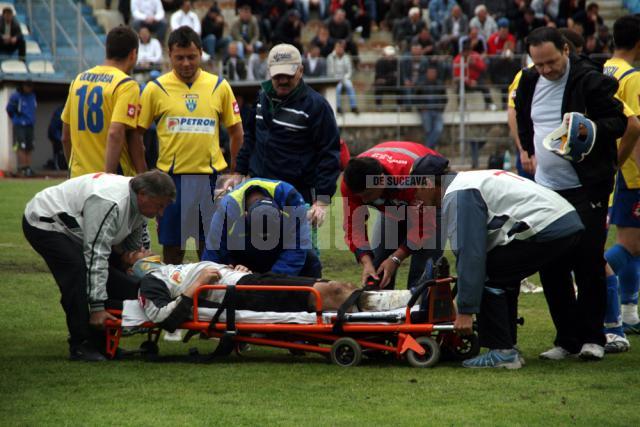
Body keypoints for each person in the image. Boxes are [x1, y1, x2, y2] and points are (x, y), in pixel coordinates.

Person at [514, 27, 628, 360]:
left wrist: (589, 130)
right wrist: (527, 148)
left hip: (587, 185)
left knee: (588, 260)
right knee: (551, 263)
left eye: (551, 61)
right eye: (540, 65)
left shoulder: (588, 78)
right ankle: (566, 339)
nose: (546, 70)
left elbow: (619, 122)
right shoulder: (528, 81)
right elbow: (523, 116)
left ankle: (594, 338)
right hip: (547, 188)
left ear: (566, 50)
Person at [410, 150, 583, 369]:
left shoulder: (458, 193)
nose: (415, 194)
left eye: (416, 186)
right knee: (507, 271)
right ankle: (526, 344)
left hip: (549, 226)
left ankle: (503, 351)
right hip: (566, 220)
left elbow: (471, 253)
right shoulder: (468, 180)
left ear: (427, 183)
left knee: (489, 270)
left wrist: (465, 310)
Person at [22, 170, 176, 361]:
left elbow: (133, 254)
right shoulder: (110, 202)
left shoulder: (139, 205)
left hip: (77, 227)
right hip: (45, 221)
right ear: (143, 194)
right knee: (76, 271)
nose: (160, 213)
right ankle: (81, 344)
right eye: (159, 206)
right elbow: (96, 253)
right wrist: (97, 308)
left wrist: (137, 265)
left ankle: (104, 343)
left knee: (117, 274)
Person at [137, 26, 244, 265]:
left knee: (210, 247)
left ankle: (207, 298)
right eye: (179, 57)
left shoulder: (219, 86)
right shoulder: (156, 88)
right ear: (169, 55)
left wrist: (235, 171)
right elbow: (136, 134)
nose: (186, 63)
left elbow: (237, 132)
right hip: (171, 181)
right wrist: (143, 171)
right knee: (173, 248)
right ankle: (176, 297)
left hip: (209, 180)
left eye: (191, 57)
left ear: (202, 53)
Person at [128, 252, 416, 330]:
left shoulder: (166, 270)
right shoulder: (150, 282)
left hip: (243, 281)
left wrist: (231, 269)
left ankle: (403, 303)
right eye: (134, 252)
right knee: (332, 291)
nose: (142, 249)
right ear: (131, 269)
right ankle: (409, 304)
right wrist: (199, 283)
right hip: (238, 294)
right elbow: (164, 318)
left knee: (338, 287)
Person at [235, 43, 341, 247]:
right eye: (277, 75)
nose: (282, 80)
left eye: (288, 74)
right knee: (260, 251)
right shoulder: (261, 98)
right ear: (269, 72)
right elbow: (250, 137)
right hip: (260, 190)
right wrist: (240, 171)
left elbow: (329, 154)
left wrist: (322, 201)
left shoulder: (316, 106)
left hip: (297, 193)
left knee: (302, 255)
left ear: (300, 71)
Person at [341, 141, 445, 289]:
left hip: (431, 202)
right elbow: (353, 226)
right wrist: (366, 262)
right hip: (393, 207)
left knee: (422, 278)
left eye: (368, 194)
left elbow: (425, 226)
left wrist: (396, 258)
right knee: (377, 273)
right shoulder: (351, 181)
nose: (364, 201)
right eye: (360, 196)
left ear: (381, 180)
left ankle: (422, 308)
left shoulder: (413, 179)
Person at [601, 15, 640, 350]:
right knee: (629, 245)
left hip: (616, 167)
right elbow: (636, 128)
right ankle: (593, 284)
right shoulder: (633, 77)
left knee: (635, 244)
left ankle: (628, 310)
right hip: (632, 172)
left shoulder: (607, 68)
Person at [61, 26, 145, 178]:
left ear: (107, 50)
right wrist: (107, 179)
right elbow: (115, 133)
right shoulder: (126, 85)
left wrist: (72, 170)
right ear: (133, 54)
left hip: (78, 179)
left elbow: (65, 137)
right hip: (110, 181)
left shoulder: (78, 80)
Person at [203, 178, 321, 277]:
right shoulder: (228, 208)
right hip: (244, 252)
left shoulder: (291, 199)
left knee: (310, 259)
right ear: (245, 215)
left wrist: (273, 282)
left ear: (281, 212)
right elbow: (213, 254)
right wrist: (230, 271)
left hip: (280, 250)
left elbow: (298, 248)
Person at [6, 80, 37, 177]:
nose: (29, 88)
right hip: (20, 125)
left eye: (30, 86)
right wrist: (16, 119)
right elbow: (9, 109)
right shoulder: (16, 96)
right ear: (23, 86)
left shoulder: (32, 95)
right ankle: (23, 168)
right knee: (21, 146)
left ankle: (28, 168)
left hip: (30, 125)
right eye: (27, 86)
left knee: (29, 147)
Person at [417, 65, 447, 149]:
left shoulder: (440, 84)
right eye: (430, 72)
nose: (431, 74)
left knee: (438, 130)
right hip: (426, 111)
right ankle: (431, 151)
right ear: (427, 73)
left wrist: (441, 108)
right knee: (428, 131)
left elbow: (445, 98)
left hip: (437, 111)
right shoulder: (421, 84)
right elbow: (416, 97)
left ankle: (426, 149)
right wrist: (421, 108)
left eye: (433, 72)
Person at [327, 40, 358, 114]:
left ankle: (354, 107)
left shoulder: (346, 57)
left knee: (350, 85)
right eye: (338, 47)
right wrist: (338, 79)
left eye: (342, 47)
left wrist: (344, 78)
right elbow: (330, 72)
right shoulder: (330, 57)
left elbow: (349, 71)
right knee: (338, 88)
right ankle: (338, 107)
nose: (340, 49)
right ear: (335, 48)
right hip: (334, 78)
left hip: (345, 78)